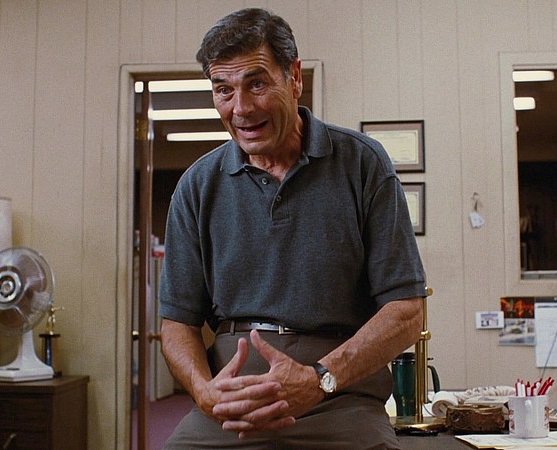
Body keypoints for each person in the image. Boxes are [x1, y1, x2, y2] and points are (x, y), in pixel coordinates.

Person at [158, 7, 427, 449]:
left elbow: (407, 311)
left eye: (256, 84)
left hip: (340, 400)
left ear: (295, 78)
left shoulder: (363, 163)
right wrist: (205, 393)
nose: (241, 108)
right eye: (223, 90)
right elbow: (177, 325)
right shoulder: (197, 185)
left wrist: (320, 378)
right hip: (234, 403)